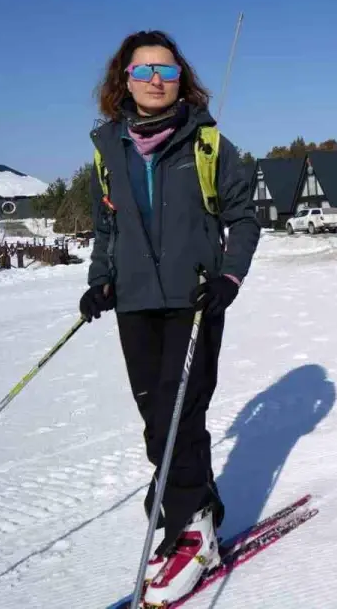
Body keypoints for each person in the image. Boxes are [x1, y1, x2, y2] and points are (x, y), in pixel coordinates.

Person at [79, 30, 261, 605]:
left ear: (181, 77)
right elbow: (107, 225)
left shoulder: (207, 143)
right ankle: (191, 513)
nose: (155, 80)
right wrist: (99, 280)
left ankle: (188, 525)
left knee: (182, 408)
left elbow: (244, 217)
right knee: (156, 414)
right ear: (123, 80)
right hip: (134, 300)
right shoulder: (110, 149)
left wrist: (230, 275)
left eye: (166, 70)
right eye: (142, 71)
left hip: (194, 296)